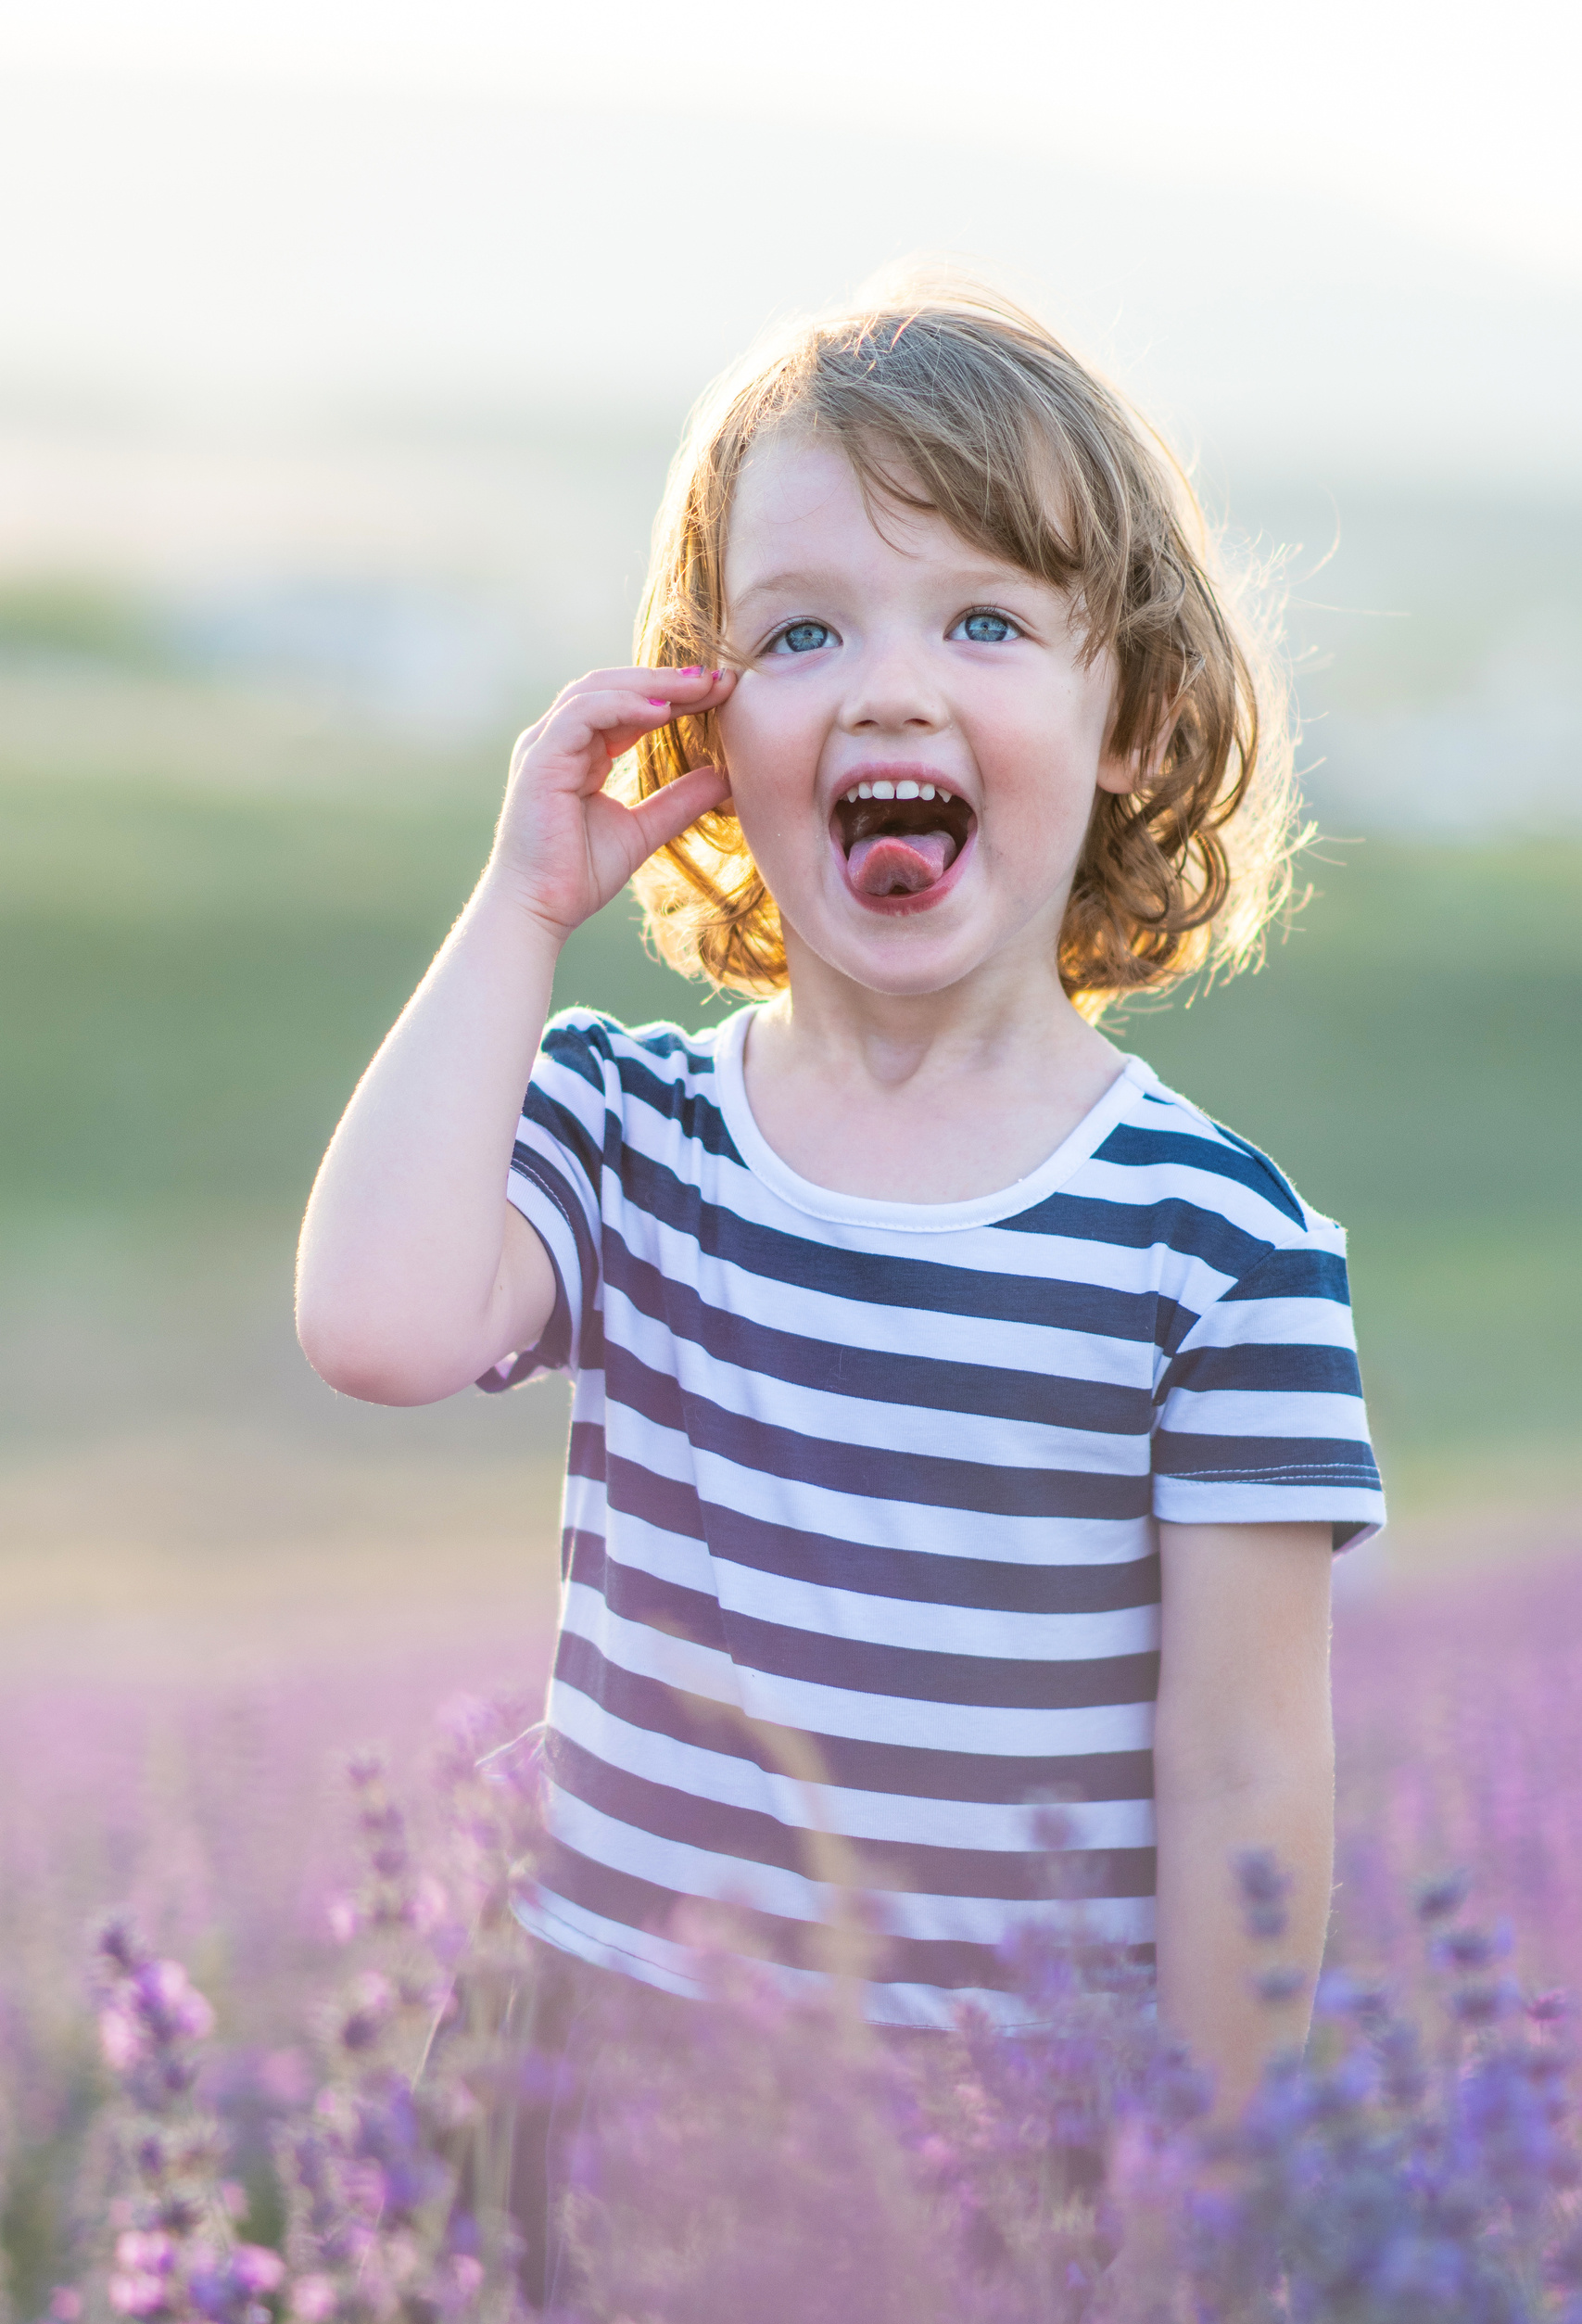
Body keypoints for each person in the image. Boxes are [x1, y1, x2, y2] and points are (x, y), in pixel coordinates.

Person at [296, 281, 1384, 2144]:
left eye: (981, 619)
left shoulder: (1214, 1251)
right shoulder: (628, 1129)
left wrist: (1206, 2202)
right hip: (601, 2091)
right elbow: (377, 1325)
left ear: (1135, 715)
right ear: (703, 730)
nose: (889, 683)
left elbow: (1236, 1782)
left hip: (998, 2130)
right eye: (799, 632)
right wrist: (519, 909)